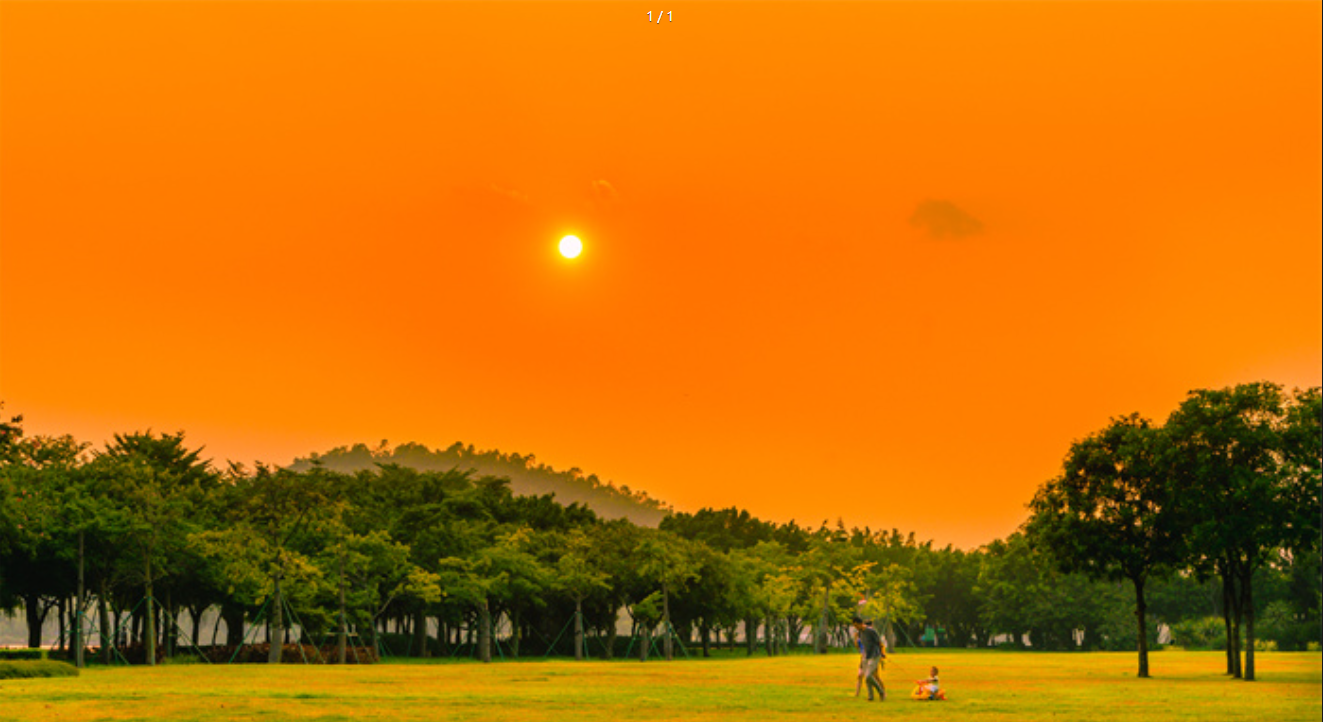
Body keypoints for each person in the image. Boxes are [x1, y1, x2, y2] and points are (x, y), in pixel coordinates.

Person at [851, 616, 886, 701]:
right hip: (866, 656)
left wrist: (882, 653)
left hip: (875, 655)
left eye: (856, 626)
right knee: (867, 678)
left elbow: (879, 642)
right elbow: (860, 645)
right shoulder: (860, 633)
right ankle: (871, 697)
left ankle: (881, 692)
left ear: (860, 624)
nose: (855, 628)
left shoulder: (871, 631)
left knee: (868, 676)